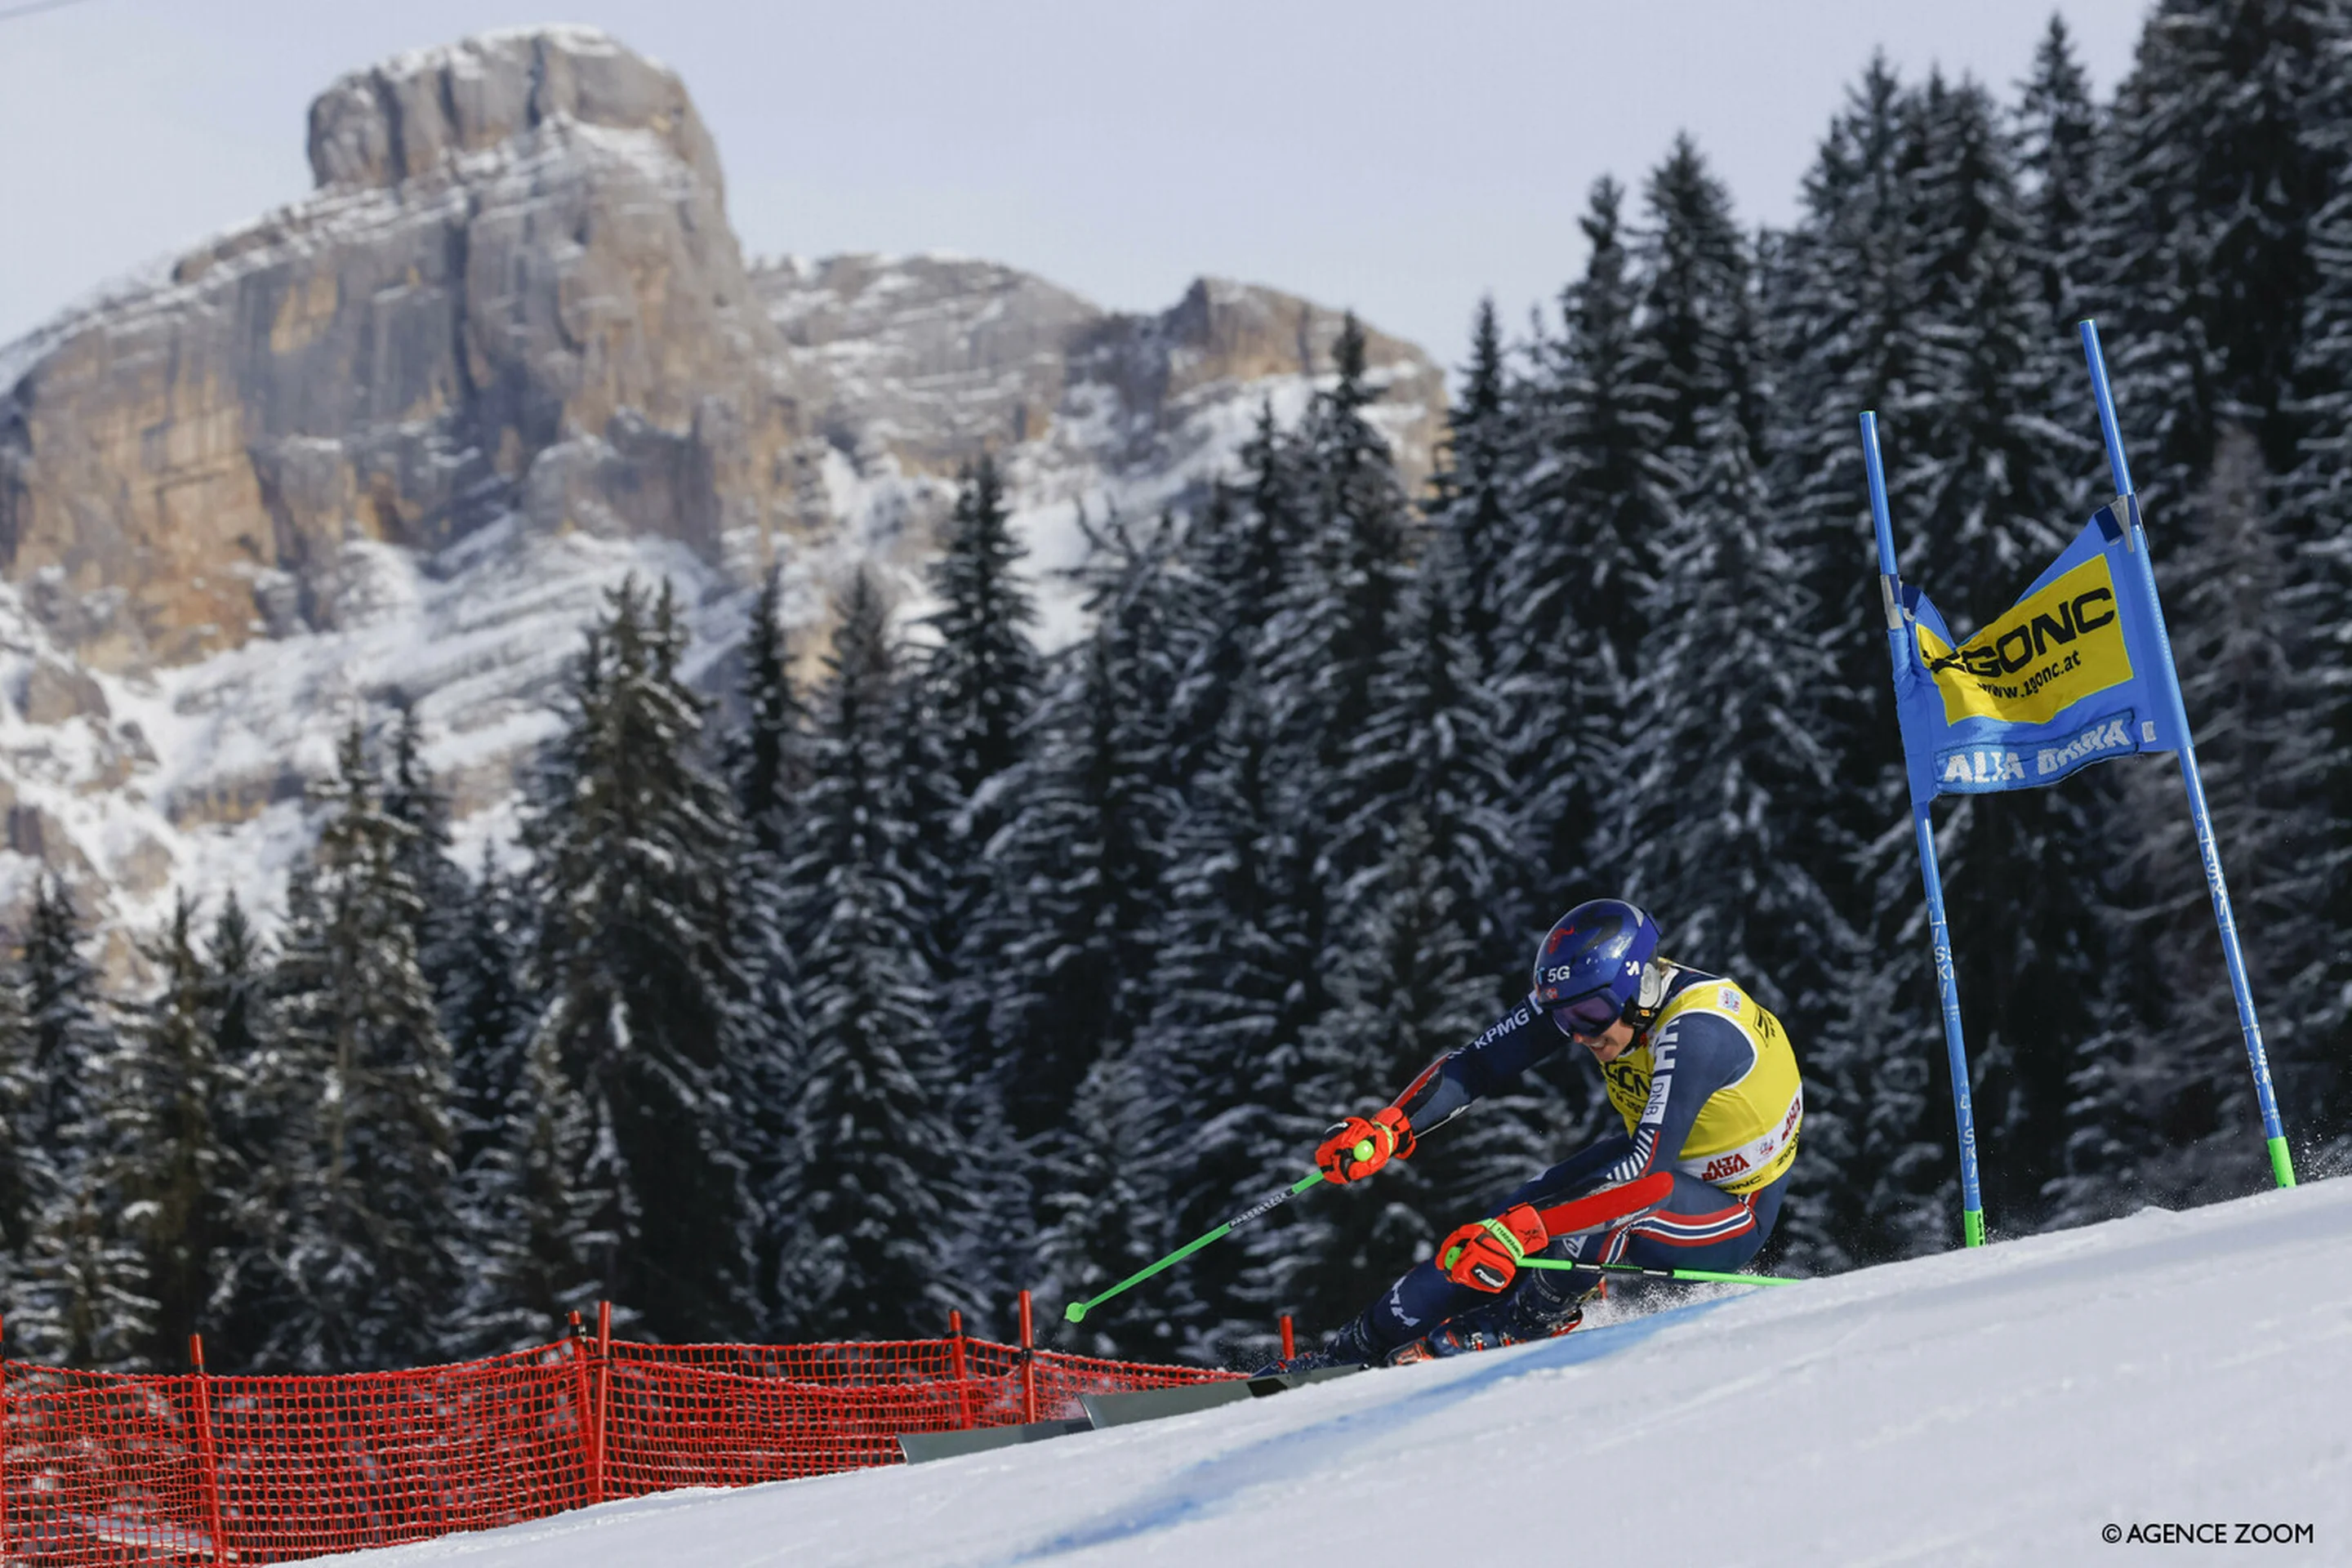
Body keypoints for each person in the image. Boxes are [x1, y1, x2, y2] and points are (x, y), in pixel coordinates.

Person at [1263, 898, 1802, 1370]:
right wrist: (1392, 1126)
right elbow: (1478, 1064)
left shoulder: (1699, 1030)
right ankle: (1353, 1351)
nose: (1579, 1034)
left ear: (1639, 984)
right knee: (1487, 1233)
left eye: (1590, 1016)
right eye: (1565, 1019)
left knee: (1567, 1218)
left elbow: (1648, 1175)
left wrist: (1530, 1230)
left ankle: (1523, 1325)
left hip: (1730, 1207)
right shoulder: (1593, 998)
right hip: (1660, 1167)